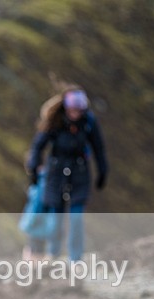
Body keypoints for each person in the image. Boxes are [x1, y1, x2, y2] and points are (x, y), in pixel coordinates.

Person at [26, 87, 108, 263]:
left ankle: (75, 259)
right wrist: (34, 168)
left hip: (80, 174)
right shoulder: (55, 122)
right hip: (55, 174)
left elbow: (98, 148)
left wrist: (102, 171)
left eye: (79, 110)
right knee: (56, 218)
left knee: (76, 218)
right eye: (72, 110)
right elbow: (38, 146)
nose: (75, 114)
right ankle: (53, 255)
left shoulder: (89, 122)